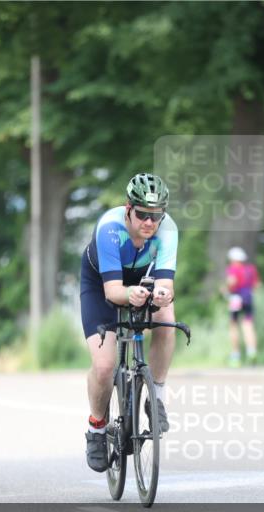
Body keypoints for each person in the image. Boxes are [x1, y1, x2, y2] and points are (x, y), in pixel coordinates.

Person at [79, 173, 178, 473]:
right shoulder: (110, 229)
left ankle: (156, 397)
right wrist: (129, 294)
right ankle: (96, 428)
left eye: (156, 216)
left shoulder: (168, 230)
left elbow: (166, 285)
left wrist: (162, 295)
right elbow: (113, 292)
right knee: (104, 366)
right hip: (102, 283)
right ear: (128, 209)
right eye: (143, 214)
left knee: (166, 318)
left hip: (141, 279)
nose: (149, 222)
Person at [224, 246, 260, 367]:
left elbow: (232, 281)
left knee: (233, 325)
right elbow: (256, 285)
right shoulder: (251, 269)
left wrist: (226, 289)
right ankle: (252, 352)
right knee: (248, 325)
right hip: (248, 297)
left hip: (236, 297)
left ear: (233, 259)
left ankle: (235, 356)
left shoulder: (233, 269)